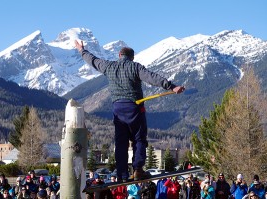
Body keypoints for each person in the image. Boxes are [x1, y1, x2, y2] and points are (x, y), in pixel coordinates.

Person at [74, 40, 185, 181]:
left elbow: (93, 61)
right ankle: (138, 169)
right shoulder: (135, 67)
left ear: (119, 55)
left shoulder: (109, 66)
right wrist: (171, 86)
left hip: (117, 110)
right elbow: (152, 77)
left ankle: (121, 174)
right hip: (135, 108)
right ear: (132, 57)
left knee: (121, 142)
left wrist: (81, 50)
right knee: (139, 140)